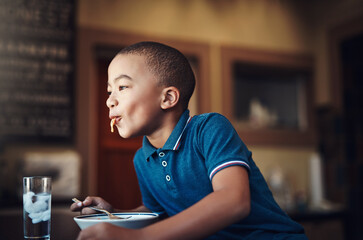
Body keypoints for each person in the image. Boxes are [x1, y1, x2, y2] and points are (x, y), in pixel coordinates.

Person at [71, 41, 307, 240]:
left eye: (122, 86)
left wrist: (137, 237)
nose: (109, 101)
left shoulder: (209, 129)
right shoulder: (142, 159)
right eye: (109, 91)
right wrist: (116, 215)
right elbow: (159, 213)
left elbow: (234, 201)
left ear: (168, 98)